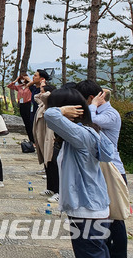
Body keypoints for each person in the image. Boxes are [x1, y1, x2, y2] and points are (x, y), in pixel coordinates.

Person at [44, 88, 115, 258]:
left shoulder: (80, 135)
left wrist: (61, 111)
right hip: (92, 208)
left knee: (91, 253)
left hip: (87, 210)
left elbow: (50, 116)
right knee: (98, 252)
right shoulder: (87, 131)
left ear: (72, 110)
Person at [76, 80, 127, 258]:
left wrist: (94, 105)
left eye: (83, 100)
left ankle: (118, 254)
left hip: (113, 170)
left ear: (91, 98)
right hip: (99, 169)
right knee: (103, 216)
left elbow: (90, 122)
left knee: (115, 218)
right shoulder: (96, 109)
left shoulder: (111, 114)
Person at [32, 83, 59, 203]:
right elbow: (36, 97)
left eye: (42, 90)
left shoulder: (50, 103)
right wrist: (42, 90)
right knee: (47, 164)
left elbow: (44, 96)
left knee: (53, 163)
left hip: (49, 137)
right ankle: (51, 187)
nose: (40, 93)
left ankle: (58, 191)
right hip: (42, 137)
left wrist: (47, 90)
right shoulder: (43, 104)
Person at [8, 74, 35, 143]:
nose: (23, 80)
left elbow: (34, 87)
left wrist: (29, 80)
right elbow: (10, 86)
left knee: (30, 121)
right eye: (21, 79)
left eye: (24, 78)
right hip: (22, 104)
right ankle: (31, 139)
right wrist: (16, 80)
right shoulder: (19, 87)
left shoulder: (30, 86)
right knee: (26, 122)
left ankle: (34, 139)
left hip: (28, 104)